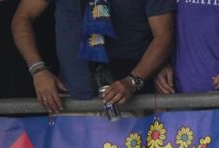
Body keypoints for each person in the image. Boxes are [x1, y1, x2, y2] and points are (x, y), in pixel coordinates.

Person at [12, 0, 173, 109]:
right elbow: (22, 18)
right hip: (72, 102)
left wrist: (133, 80)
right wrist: (38, 70)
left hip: (131, 103)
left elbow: (164, 36)